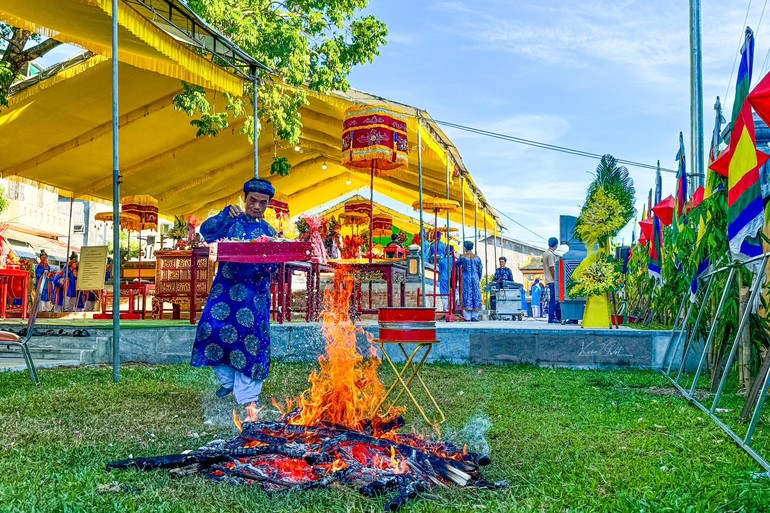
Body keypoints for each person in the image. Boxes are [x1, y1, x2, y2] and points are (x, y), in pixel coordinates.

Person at [191, 178, 278, 408]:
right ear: (245, 198)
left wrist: (269, 264)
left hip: (254, 296)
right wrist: (223, 215)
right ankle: (228, 382)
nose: (257, 206)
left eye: (263, 203)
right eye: (253, 200)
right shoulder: (231, 221)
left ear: (268, 204)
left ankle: (248, 398)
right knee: (210, 332)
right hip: (225, 291)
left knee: (252, 343)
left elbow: (276, 265)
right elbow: (206, 231)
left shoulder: (270, 232)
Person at [457, 240, 483, 322]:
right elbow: (480, 269)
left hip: (466, 277)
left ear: (465, 247)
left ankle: (467, 317)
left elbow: (457, 265)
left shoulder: (463, 257)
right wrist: (478, 277)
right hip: (475, 277)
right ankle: (475, 316)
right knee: (475, 294)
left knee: (467, 294)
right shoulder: (477, 258)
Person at [428, 231, 450, 312]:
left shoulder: (432, 245)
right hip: (441, 262)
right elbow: (444, 254)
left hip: (433, 261)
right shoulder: (443, 245)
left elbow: (429, 254)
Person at [544, 237, 561, 324]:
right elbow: (552, 267)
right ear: (556, 245)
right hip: (552, 280)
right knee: (554, 300)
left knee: (553, 299)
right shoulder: (550, 254)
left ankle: (555, 316)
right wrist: (556, 279)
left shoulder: (545, 253)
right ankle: (551, 317)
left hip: (548, 280)